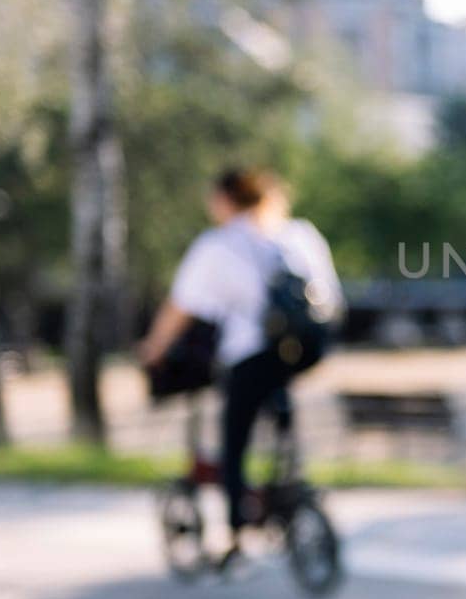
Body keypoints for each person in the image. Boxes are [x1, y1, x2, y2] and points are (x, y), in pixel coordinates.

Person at [138, 167, 343, 570]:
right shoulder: (299, 233)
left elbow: (180, 308)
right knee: (277, 404)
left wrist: (153, 350)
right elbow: (329, 295)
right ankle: (288, 485)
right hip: (307, 346)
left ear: (226, 200)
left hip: (252, 351)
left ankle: (237, 532)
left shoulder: (219, 245)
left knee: (235, 440)